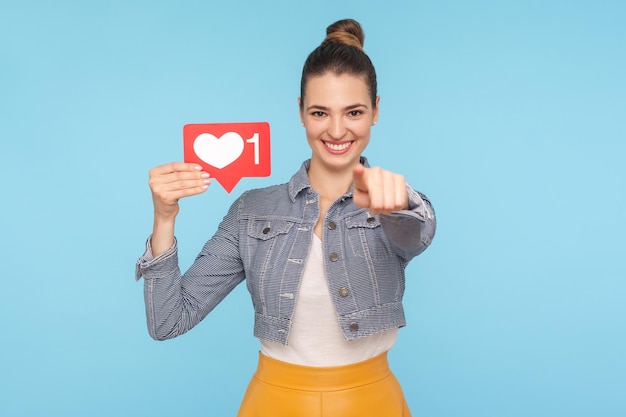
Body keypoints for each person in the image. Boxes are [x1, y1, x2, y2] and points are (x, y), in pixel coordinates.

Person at [136, 18, 436, 417]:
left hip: (370, 401)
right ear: (299, 112)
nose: (336, 129)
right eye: (319, 112)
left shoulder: (391, 203)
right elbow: (169, 321)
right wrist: (164, 218)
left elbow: (417, 231)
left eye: (354, 112)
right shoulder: (251, 210)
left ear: (376, 111)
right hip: (274, 402)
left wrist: (396, 201)